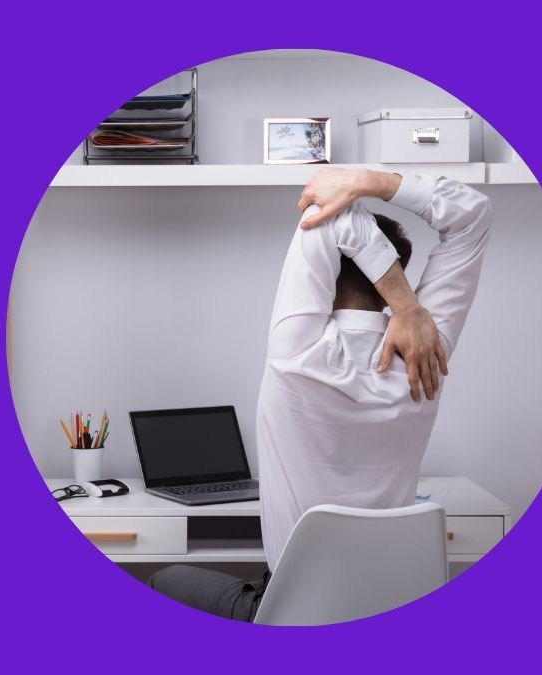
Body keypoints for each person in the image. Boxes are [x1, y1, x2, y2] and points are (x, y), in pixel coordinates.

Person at [148, 168, 493, 621]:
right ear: (398, 270)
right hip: (394, 605)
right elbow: (474, 215)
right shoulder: (427, 357)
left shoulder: (298, 353)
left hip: (294, 614)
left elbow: (325, 216)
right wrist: (368, 182)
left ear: (327, 270)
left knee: (160, 581)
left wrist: (406, 302)